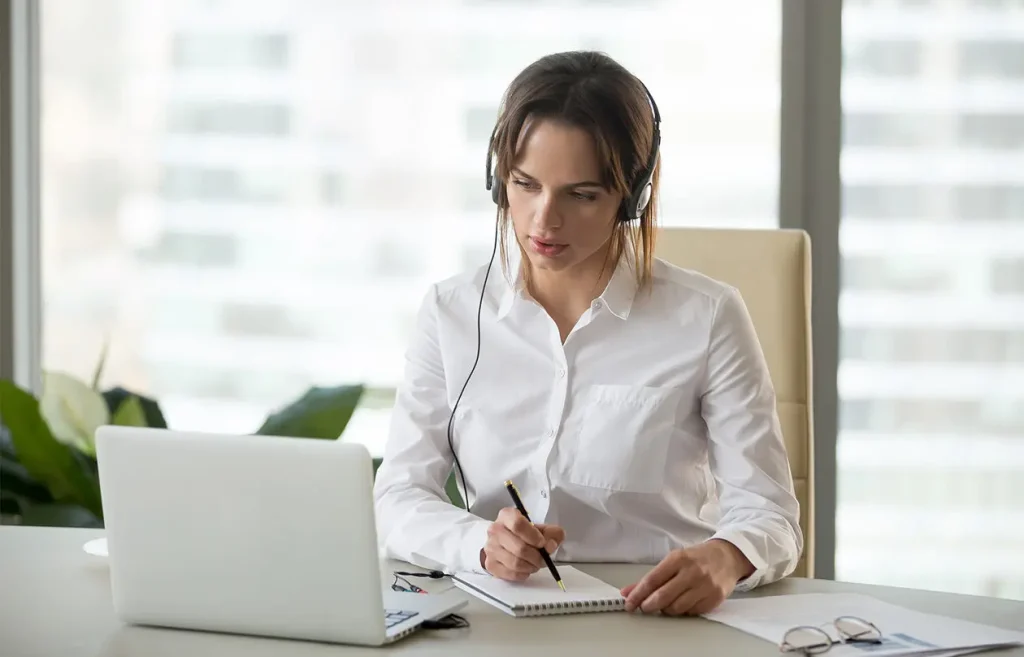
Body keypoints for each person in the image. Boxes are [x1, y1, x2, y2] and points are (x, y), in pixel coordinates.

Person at [373, 50, 802, 617]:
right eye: (525, 185)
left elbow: (769, 513)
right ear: (497, 181)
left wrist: (725, 556)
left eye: (581, 195)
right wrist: (477, 543)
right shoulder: (450, 313)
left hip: (653, 620)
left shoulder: (709, 316)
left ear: (630, 198)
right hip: (499, 620)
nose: (542, 220)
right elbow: (398, 497)